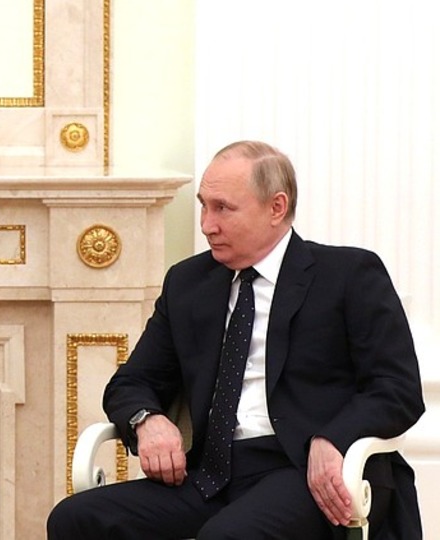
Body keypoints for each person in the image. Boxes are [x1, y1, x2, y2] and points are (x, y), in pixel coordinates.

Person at [47, 140, 425, 539]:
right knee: (74, 519)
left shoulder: (348, 274)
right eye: (203, 206)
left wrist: (333, 438)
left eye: (223, 208)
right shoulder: (187, 283)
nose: (207, 224)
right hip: (210, 475)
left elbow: (396, 388)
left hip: (305, 472)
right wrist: (147, 420)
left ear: (276, 207)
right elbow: (131, 382)